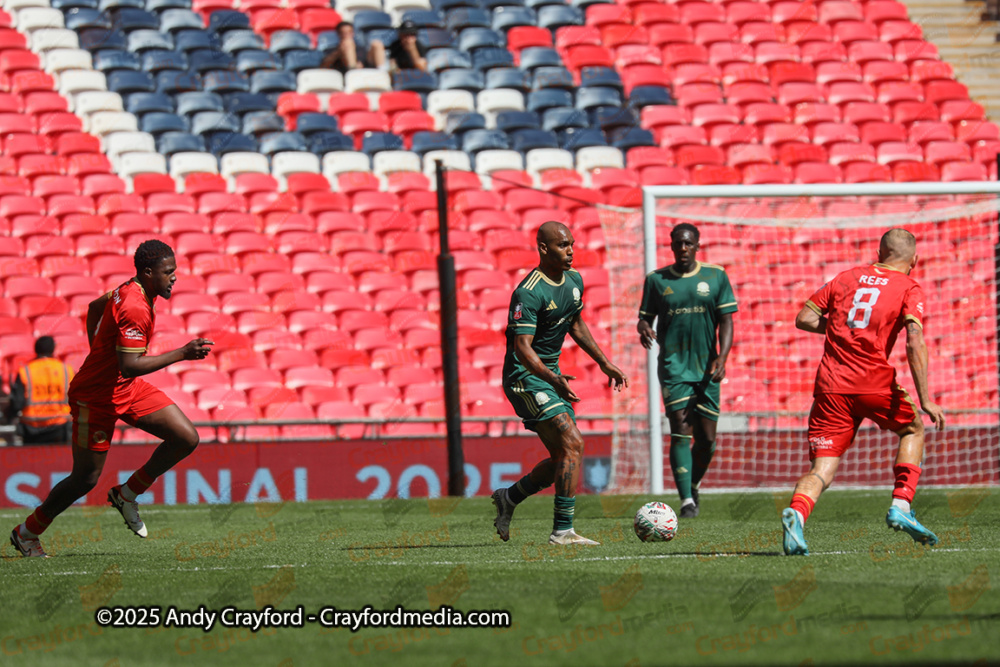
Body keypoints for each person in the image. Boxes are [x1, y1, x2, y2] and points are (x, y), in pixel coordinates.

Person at [9, 240, 214, 558]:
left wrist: (98, 351)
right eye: (168, 272)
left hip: (124, 388)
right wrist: (183, 353)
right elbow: (130, 365)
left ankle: (128, 493)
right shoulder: (134, 304)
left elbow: (93, 308)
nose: (174, 277)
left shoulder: (131, 289)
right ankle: (27, 533)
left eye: (174, 271)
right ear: (148, 273)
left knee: (186, 437)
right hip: (96, 397)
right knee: (84, 479)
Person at [781, 228, 946, 556]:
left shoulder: (846, 278)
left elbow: (804, 318)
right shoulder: (908, 286)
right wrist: (926, 398)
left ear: (879, 251)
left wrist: (841, 330)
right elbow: (914, 339)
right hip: (873, 382)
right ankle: (901, 504)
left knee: (822, 470)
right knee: (913, 428)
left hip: (830, 387)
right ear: (914, 259)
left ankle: (797, 513)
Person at [491, 222, 628, 546]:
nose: (570, 251)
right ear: (543, 248)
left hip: (551, 376)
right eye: (563, 245)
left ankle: (509, 498)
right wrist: (552, 377)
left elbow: (575, 323)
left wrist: (603, 361)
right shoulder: (528, 291)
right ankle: (562, 531)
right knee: (573, 443)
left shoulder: (574, 280)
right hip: (525, 377)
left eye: (572, 245)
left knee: (564, 457)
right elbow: (522, 349)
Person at [637, 223, 737, 518]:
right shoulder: (656, 280)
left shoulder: (715, 276)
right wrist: (644, 327)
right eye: (678, 244)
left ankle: (692, 484)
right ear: (671, 246)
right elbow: (644, 318)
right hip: (674, 368)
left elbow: (727, 321)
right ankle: (686, 502)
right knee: (681, 429)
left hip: (708, 368)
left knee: (706, 439)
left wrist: (724, 356)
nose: (683, 248)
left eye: (688, 244)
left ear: (697, 245)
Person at [5, 336, 75, 444]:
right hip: (60, 427)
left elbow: (17, 403)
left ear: (36, 349)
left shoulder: (26, 371)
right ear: (53, 349)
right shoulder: (66, 370)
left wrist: (9, 417)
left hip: (32, 429)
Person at [320, 21, 386, 73]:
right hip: (346, 75)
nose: (347, 35)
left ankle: (382, 71)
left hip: (364, 74)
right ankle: (353, 69)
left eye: (349, 32)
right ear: (338, 34)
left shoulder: (361, 49)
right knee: (348, 43)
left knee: (377, 44)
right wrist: (339, 53)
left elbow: (366, 62)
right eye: (344, 33)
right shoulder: (332, 50)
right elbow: (324, 66)